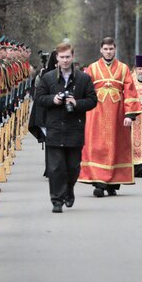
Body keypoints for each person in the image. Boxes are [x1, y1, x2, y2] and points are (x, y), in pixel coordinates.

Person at [34, 42, 98, 212]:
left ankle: (69, 191)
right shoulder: (48, 78)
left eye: (68, 57)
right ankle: (56, 200)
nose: (65, 60)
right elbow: (39, 98)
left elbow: (93, 100)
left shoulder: (83, 79)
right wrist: (53, 100)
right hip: (54, 128)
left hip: (74, 128)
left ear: (72, 57)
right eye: (62, 57)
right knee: (55, 168)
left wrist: (76, 103)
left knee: (72, 167)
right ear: (57, 57)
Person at [79, 37, 141, 197]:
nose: (108, 51)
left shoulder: (123, 68)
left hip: (118, 115)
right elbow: (84, 91)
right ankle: (99, 182)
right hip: (96, 114)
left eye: (111, 49)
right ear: (101, 50)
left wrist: (130, 114)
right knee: (96, 146)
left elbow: (130, 92)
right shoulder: (92, 68)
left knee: (116, 146)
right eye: (105, 49)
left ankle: (113, 182)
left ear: (115, 49)